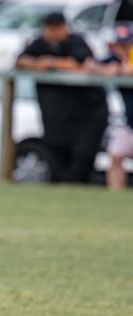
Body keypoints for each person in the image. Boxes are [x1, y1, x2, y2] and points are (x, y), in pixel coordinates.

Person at [16, 12, 108, 183]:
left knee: (82, 157)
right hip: (57, 117)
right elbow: (20, 61)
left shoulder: (76, 42)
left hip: (87, 115)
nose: (51, 33)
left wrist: (51, 63)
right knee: (58, 157)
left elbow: (81, 63)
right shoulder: (40, 44)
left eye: (55, 28)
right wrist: (37, 64)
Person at [87, 22, 133, 189]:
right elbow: (89, 64)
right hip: (130, 126)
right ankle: (115, 197)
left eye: (126, 44)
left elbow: (129, 69)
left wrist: (119, 69)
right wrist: (108, 69)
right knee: (114, 155)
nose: (123, 48)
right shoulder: (113, 58)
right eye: (119, 45)